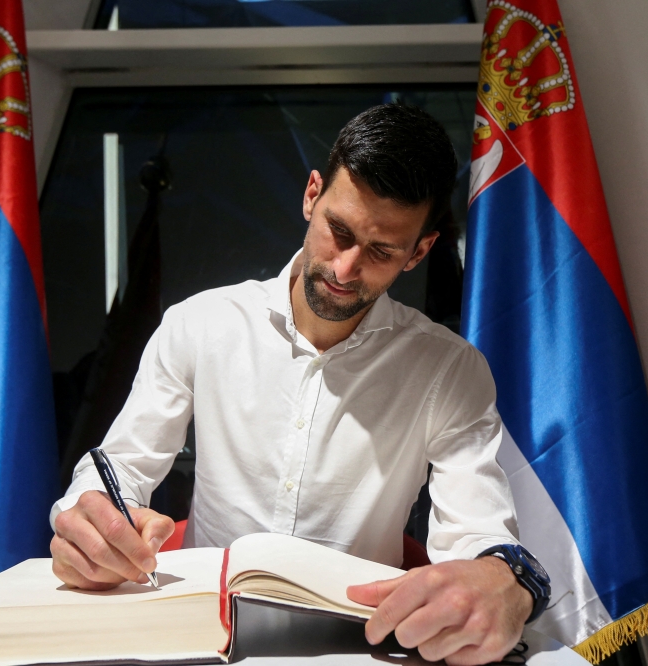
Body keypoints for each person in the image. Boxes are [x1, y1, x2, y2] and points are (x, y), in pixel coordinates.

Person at [49, 104, 545, 666]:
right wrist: (87, 516)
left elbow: (477, 532)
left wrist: (505, 578)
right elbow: (122, 466)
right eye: (339, 231)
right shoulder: (199, 323)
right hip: (193, 635)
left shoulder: (450, 370)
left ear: (421, 252)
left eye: (382, 251)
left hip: (356, 649)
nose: (344, 269)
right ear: (312, 194)